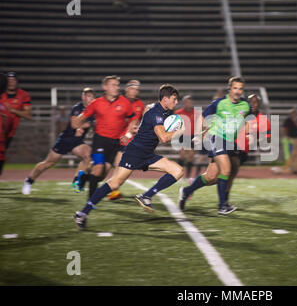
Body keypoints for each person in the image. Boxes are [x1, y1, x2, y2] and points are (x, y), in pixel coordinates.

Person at [73, 84, 184, 230]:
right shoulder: (156, 113)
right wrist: (180, 131)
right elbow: (163, 137)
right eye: (174, 99)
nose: (176, 102)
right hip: (135, 153)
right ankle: (82, 213)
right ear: (165, 99)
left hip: (147, 154)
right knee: (114, 184)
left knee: (178, 171)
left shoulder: (161, 111)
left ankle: (146, 196)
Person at [178, 76, 250, 214]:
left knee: (211, 177)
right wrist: (198, 135)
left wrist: (248, 133)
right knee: (226, 169)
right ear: (229, 88)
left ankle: (186, 191)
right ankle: (222, 206)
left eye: (240, 89)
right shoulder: (219, 103)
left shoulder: (245, 105)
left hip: (230, 141)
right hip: (216, 138)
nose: (237, 91)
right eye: (235, 88)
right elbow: (203, 117)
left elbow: (247, 120)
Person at [72, 75, 140, 200]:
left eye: (117, 85)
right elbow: (79, 119)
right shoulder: (96, 103)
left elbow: (133, 118)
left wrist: (128, 133)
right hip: (100, 141)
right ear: (105, 87)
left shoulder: (124, 102)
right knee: (98, 169)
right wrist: (78, 125)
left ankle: (83, 177)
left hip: (115, 143)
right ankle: (91, 201)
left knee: (102, 175)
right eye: (113, 85)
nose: (116, 88)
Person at [22, 88, 95, 195]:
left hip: (77, 141)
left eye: (92, 97)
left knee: (88, 156)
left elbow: (93, 123)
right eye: (88, 96)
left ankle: (76, 181)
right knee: (48, 163)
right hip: (65, 140)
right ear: (83, 97)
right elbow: (74, 124)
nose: (91, 99)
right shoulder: (77, 107)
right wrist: (87, 125)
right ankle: (29, 181)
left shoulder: (93, 110)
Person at [107, 79, 146, 200]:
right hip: (115, 138)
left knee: (122, 166)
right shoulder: (119, 101)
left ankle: (113, 190)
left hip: (129, 141)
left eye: (137, 89)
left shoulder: (140, 104)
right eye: (133, 89)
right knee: (106, 167)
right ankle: (107, 187)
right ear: (127, 89)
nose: (135, 91)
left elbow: (140, 122)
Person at [0, 71, 32, 150]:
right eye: (9, 80)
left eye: (13, 80)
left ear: (17, 82)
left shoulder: (23, 95)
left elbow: (28, 115)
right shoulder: (1, 93)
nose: (11, 83)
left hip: (9, 132)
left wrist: (12, 110)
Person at [175, 95, 200, 182]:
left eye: (190, 102)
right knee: (182, 156)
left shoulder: (196, 113)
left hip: (192, 136)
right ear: (184, 103)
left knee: (190, 157)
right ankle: (179, 175)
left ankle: (188, 176)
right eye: (187, 102)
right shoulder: (178, 112)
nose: (188, 104)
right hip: (182, 135)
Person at [282, 108, 297, 174]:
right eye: (292, 113)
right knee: (292, 153)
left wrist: (296, 122)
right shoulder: (288, 120)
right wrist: (286, 135)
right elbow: (284, 128)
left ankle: (296, 168)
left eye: (294, 113)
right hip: (291, 139)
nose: (293, 115)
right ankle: (291, 168)